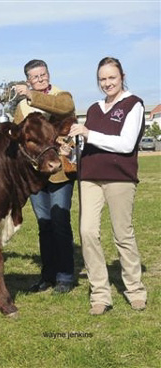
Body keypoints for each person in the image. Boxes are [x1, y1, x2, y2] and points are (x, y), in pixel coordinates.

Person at [68, 57, 147, 315]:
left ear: (122, 76)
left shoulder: (134, 105)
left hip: (120, 178)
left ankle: (135, 290)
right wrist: (71, 147)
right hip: (90, 177)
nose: (107, 83)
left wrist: (89, 134)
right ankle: (100, 294)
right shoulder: (93, 108)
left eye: (111, 77)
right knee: (88, 232)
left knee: (122, 234)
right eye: (102, 79)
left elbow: (125, 144)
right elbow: (88, 146)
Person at [13, 59, 76, 293]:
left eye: (43, 75)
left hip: (60, 171)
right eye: (35, 77)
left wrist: (31, 95)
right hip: (36, 175)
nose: (40, 80)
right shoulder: (22, 108)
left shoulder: (62, 96)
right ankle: (48, 275)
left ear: (49, 74)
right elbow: (18, 137)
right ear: (28, 79)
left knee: (60, 222)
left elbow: (64, 109)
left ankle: (66, 276)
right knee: (44, 224)